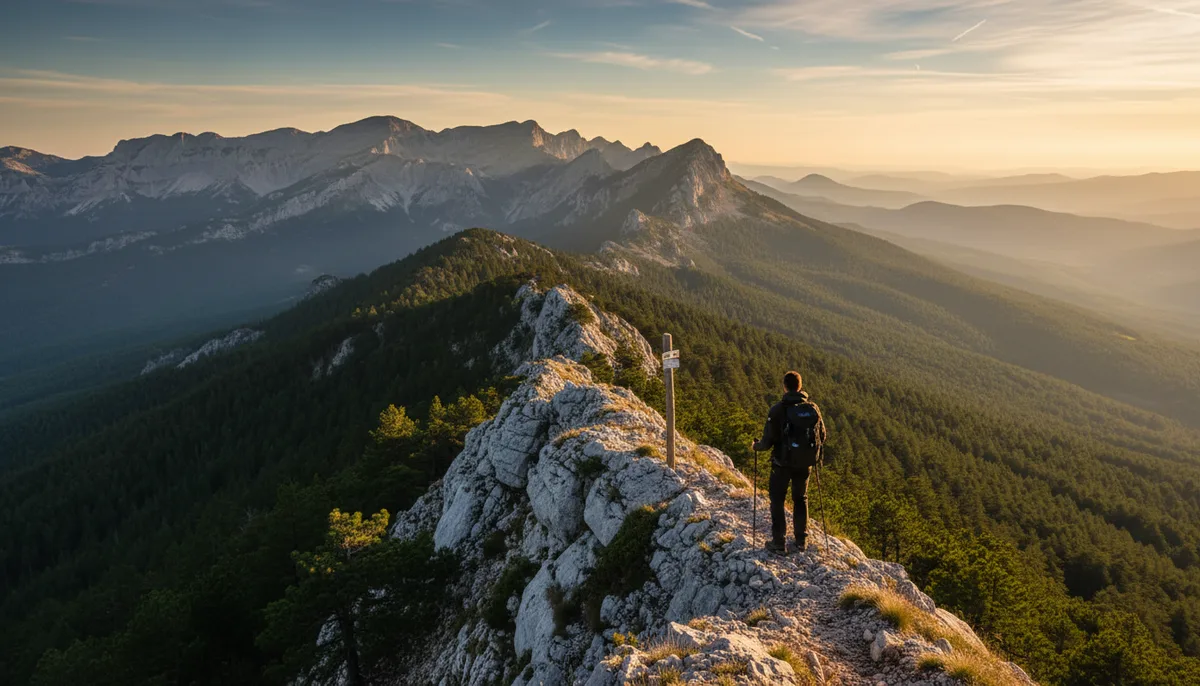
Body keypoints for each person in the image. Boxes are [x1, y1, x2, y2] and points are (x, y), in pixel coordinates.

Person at [752, 371, 827, 554]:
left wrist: (755, 446)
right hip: (805, 464)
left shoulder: (778, 409)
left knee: (777, 500)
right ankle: (801, 540)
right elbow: (822, 436)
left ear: (785, 386)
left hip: (782, 464)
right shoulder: (812, 408)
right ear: (800, 387)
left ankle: (779, 542)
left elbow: (767, 441)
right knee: (801, 499)